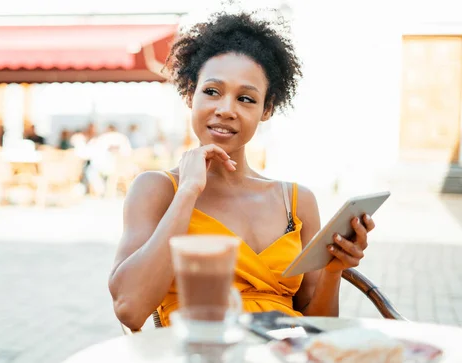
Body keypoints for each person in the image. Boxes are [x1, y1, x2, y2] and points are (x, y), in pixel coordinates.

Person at [108, 11, 376, 331]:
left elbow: (317, 326)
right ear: (189, 94)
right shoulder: (157, 189)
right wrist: (189, 191)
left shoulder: (296, 200)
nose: (226, 109)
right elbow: (129, 309)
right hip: (201, 350)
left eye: (246, 98)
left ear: (267, 109)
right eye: (211, 91)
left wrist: (333, 270)